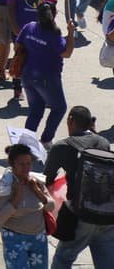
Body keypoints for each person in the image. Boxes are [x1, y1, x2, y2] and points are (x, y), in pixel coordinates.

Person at [45, 105, 114, 268]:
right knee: (106, 262)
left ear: (70, 121)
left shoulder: (61, 146)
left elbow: (48, 178)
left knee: (64, 258)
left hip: (80, 215)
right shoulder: (103, 142)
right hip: (107, 214)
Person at [12, 0, 77, 144]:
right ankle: (46, 140)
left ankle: (26, 142)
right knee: (59, 108)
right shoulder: (54, 36)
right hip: (48, 77)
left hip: (27, 75)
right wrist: (71, 33)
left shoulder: (29, 27)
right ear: (54, 15)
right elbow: (67, 53)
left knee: (36, 109)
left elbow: (17, 45)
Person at [0, 144, 54, 268]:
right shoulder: (3, 186)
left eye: (28, 164)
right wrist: (16, 196)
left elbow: (51, 207)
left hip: (38, 237)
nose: (26, 168)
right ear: (12, 164)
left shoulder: (36, 182)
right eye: (21, 164)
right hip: (15, 238)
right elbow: (0, 217)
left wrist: (36, 190)